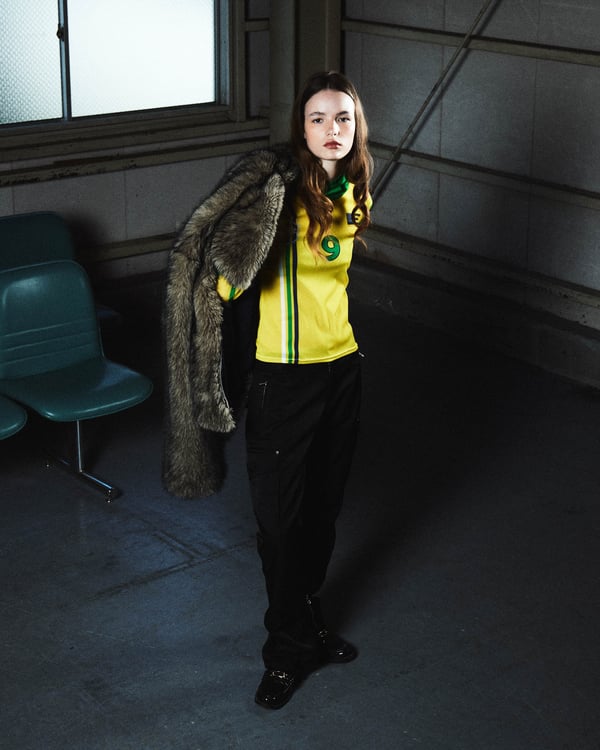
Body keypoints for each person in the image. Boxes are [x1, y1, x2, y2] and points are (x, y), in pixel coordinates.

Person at [162, 71, 372, 710]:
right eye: (318, 118)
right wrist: (233, 269)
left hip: (343, 369)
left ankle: (307, 622)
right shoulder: (276, 197)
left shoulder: (354, 189)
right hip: (283, 379)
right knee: (280, 525)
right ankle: (285, 652)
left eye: (343, 118)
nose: (331, 130)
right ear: (300, 128)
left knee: (322, 513)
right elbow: (222, 276)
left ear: (357, 126)